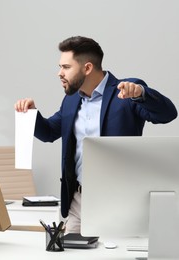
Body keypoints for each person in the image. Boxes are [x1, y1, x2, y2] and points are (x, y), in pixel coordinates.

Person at [14, 36, 177, 234]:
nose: (59, 73)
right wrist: (31, 115)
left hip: (118, 203)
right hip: (78, 201)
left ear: (87, 68)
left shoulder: (126, 91)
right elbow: (49, 132)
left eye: (66, 67)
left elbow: (168, 114)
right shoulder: (71, 101)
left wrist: (141, 93)